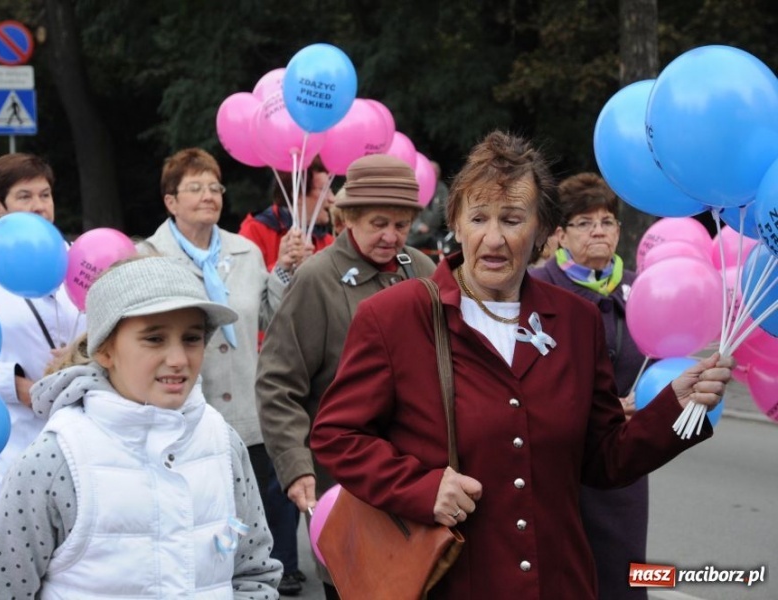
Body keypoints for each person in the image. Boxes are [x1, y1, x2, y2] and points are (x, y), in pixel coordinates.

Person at [309, 131, 734, 599]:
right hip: (453, 584)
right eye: (478, 218)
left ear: (542, 230)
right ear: (456, 222)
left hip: (558, 584)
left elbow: (604, 459)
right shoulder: (395, 317)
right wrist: (421, 488)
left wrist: (675, 407)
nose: (493, 239)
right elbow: (336, 436)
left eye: (512, 219)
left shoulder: (575, 320)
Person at [0, 257, 282, 598]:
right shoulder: (55, 461)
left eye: (192, 338)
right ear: (105, 350)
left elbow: (253, 571)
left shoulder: (222, 443)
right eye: (154, 339)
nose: (178, 359)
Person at [256, 153, 436, 600]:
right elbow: (278, 382)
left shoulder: (424, 271)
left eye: (401, 224)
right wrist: (296, 469)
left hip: (419, 477)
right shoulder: (318, 279)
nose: (391, 236)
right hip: (346, 480)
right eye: (378, 223)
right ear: (348, 217)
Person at [136, 148, 299, 504]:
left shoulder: (245, 251)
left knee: (256, 528)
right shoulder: (149, 257)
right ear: (171, 201)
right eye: (196, 188)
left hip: (249, 418)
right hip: (181, 421)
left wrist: (284, 269)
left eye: (215, 188)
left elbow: (270, 319)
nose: (209, 196)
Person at [529, 172, 648, 599]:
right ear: (559, 234)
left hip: (622, 464)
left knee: (624, 573)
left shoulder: (642, 288)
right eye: (584, 222)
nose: (599, 230)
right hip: (557, 464)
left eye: (607, 221)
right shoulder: (537, 288)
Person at [0, 153, 84, 520]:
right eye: (25, 196)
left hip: (84, 431)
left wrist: (84, 352)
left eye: (45, 195)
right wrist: (18, 386)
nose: (39, 206)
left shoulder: (78, 258)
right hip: (12, 438)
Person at [238, 160, 333, 596]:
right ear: (298, 194)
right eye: (322, 188)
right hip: (274, 352)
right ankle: (284, 562)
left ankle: (327, 552)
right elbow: (252, 295)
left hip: (322, 359)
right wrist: (285, 263)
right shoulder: (256, 229)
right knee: (280, 468)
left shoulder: (331, 232)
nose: (330, 196)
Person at [238, 156, 333, 270]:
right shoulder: (254, 231)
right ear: (298, 196)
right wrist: (285, 265)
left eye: (330, 190)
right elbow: (244, 281)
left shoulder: (329, 242)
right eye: (324, 190)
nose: (333, 198)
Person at [407, 159, 450, 259]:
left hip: (432, 235)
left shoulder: (442, 189)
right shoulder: (416, 186)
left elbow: (446, 209)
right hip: (413, 236)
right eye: (432, 171)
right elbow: (408, 210)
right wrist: (418, 225)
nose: (434, 175)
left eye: (436, 172)